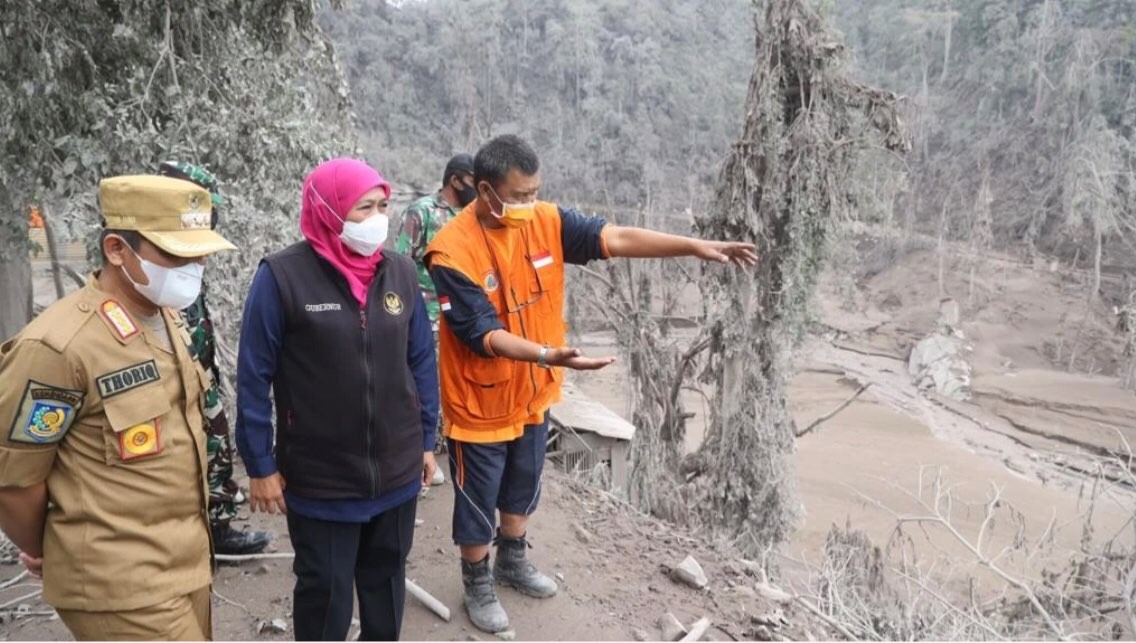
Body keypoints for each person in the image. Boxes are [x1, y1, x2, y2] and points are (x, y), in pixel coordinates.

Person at [425, 135, 757, 633]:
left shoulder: (547, 221)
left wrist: (691, 247)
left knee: (523, 487)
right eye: (519, 195)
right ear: (487, 191)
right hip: (482, 403)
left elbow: (616, 239)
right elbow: (482, 335)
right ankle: (477, 579)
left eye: (535, 191)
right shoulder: (451, 250)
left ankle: (512, 560)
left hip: (534, 396)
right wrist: (545, 354)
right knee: (478, 500)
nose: (528, 204)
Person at [0, 175, 237, 640]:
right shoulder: (58, 347)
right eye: (176, 255)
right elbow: (13, 481)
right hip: (120, 584)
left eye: (200, 254)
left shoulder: (163, 316)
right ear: (116, 249)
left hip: (184, 566)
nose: (194, 267)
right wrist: (45, 547)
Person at [235, 158, 439, 641]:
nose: (377, 220)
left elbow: (422, 363)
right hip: (321, 478)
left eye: (383, 206)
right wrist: (260, 465)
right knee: (325, 595)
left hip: (395, 470)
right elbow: (253, 375)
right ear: (328, 211)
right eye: (362, 208)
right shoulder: (281, 278)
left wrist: (426, 440)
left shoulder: (402, 274)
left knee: (386, 585)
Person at [157, 161, 272, 555]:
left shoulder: (190, 251)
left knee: (215, 442)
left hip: (201, 369)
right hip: (172, 378)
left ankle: (218, 530)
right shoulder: (156, 249)